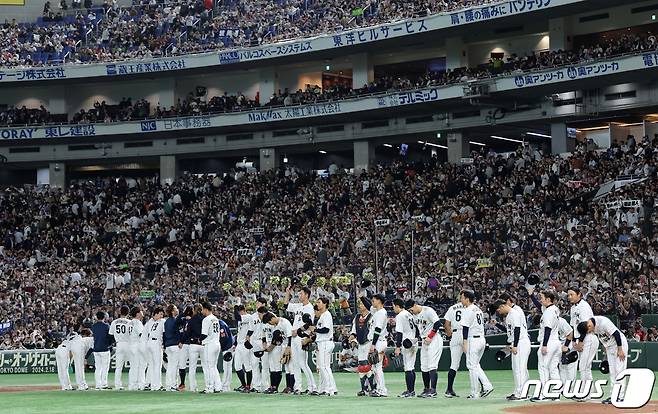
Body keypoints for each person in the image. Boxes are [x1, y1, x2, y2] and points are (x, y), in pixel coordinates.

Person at [577, 317, 628, 404]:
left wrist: (620, 350)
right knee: (612, 372)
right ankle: (614, 395)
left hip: (620, 345)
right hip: (610, 347)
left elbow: (616, 334)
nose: (590, 333)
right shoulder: (592, 325)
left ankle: (620, 396)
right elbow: (604, 339)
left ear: (589, 326)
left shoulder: (603, 322)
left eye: (588, 331)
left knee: (620, 371)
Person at [493, 298, 530, 401]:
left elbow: (517, 330)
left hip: (521, 342)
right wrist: (496, 324)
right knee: (517, 369)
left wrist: (515, 345)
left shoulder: (514, 313)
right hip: (517, 342)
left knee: (520, 369)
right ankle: (520, 391)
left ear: (502, 306)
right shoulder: (510, 315)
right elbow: (510, 331)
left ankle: (521, 394)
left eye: (498, 310)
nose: (499, 312)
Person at [460, 289, 494, 399]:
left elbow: (465, 327)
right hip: (481, 339)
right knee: (475, 365)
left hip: (472, 340)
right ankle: (487, 385)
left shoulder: (468, 310)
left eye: (462, 298)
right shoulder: (478, 309)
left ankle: (475, 392)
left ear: (467, 299)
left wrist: (464, 342)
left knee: (471, 366)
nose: (461, 300)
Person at [406, 298, 442, 398]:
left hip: (434, 339)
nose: (411, 311)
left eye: (411, 309)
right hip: (424, 340)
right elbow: (419, 330)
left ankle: (433, 390)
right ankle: (426, 389)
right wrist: (415, 339)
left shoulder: (428, 310)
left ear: (414, 305)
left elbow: (438, 324)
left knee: (432, 365)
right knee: (424, 366)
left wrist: (430, 336)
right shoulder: (414, 315)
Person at [285, 286, 317, 394]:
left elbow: (309, 324)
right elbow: (286, 305)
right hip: (294, 337)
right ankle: (297, 387)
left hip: (302, 336)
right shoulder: (298, 306)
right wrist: (287, 293)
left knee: (303, 363)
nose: (299, 295)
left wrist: (297, 330)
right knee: (295, 364)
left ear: (307, 295)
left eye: (301, 294)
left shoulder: (310, 308)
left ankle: (312, 387)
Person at [532, 290, 561, 402]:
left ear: (548, 299)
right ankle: (556, 394)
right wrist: (531, 296)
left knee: (543, 368)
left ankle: (544, 394)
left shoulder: (548, 312)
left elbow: (548, 328)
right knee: (553, 369)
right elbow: (539, 306)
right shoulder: (554, 309)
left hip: (548, 342)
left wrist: (544, 345)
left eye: (542, 297)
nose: (541, 299)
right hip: (556, 342)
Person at [568, 287, 599, 384]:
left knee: (584, 366)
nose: (569, 297)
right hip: (580, 339)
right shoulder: (573, 308)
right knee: (584, 367)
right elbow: (573, 325)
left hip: (588, 337)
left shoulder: (584, 306)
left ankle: (586, 393)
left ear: (579, 294)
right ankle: (588, 392)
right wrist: (574, 341)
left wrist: (580, 341)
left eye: (572, 294)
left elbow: (586, 326)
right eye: (568, 295)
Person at [262, 312, 293, 394]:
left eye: (269, 322)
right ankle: (288, 387)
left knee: (291, 367)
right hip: (283, 345)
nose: (270, 324)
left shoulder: (284, 322)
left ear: (272, 318)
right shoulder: (276, 325)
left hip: (289, 345)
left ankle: (292, 387)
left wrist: (289, 347)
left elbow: (290, 336)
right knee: (286, 367)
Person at [393, 298, 418, 398]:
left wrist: (397, 346)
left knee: (408, 368)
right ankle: (411, 390)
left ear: (398, 306)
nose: (393, 308)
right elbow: (417, 329)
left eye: (394, 306)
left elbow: (399, 333)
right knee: (411, 367)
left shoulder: (400, 316)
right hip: (413, 341)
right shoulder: (409, 314)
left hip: (406, 343)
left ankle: (410, 391)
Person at [350, 296, 374, 396]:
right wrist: (351, 337)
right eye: (359, 304)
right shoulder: (357, 317)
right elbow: (354, 331)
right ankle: (364, 389)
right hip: (360, 344)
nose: (360, 305)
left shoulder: (372, 316)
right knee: (361, 367)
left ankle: (373, 388)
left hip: (368, 343)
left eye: (362, 304)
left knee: (367, 366)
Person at [312, 297, 337, 396]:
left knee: (324, 367)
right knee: (323, 367)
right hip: (322, 342)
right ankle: (328, 388)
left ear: (325, 304)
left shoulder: (326, 315)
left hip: (326, 342)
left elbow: (326, 330)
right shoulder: (323, 315)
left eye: (319, 302)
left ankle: (329, 389)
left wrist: (315, 330)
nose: (317, 304)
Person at [443, 299, 465, 398]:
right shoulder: (469, 307)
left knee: (454, 365)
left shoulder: (452, 308)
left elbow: (446, 324)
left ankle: (449, 389)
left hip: (455, 334)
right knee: (474, 363)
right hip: (465, 333)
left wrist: (450, 335)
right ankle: (483, 387)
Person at [368, 293, 388, 397]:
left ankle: (382, 390)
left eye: (374, 300)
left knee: (377, 367)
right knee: (375, 367)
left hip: (378, 341)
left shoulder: (380, 313)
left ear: (379, 301)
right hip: (378, 341)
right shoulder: (377, 311)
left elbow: (378, 329)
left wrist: (373, 344)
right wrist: (362, 296)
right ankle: (380, 389)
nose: (372, 302)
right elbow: (368, 306)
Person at [200, 302, 222, 394]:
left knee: (209, 367)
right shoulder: (215, 318)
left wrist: (198, 340)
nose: (202, 311)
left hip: (209, 344)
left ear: (205, 309)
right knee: (213, 367)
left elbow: (204, 335)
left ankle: (209, 387)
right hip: (217, 343)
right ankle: (217, 387)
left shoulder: (206, 319)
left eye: (202, 309)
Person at [234, 304, 255, 392]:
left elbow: (237, 317)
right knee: (237, 366)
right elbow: (239, 332)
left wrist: (234, 309)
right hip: (239, 344)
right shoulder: (241, 318)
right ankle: (243, 385)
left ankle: (248, 386)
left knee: (247, 366)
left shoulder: (248, 316)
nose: (239, 313)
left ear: (243, 310)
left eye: (240, 311)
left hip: (245, 345)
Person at [109, 305, 131, 390]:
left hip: (119, 344)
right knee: (133, 365)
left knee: (118, 367)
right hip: (128, 344)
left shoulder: (114, 322)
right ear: (128, 313)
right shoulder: (130, 322)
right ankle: (131, 384)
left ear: (120, 312)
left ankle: (118, 385)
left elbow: (110, 335)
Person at [163, 304, 184, 392]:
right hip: (175, 345)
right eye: (175, 309)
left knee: (170, 366)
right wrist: (180, 341)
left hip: (168, 345)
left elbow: (164, 335)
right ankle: (173, 385)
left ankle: (168, 385)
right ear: (172, 311)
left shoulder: (166, 321)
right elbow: (177, 333)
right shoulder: (175, 321)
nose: (177, 310)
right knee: (174, 366)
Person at [184, 304, 204, 392]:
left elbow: (187, 334)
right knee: (206, 366)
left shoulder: (191, 320)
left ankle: (193, 387)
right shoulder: (204, 319)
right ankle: (209, 386)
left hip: (193, 344)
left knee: (192, 368)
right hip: (203, 344)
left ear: (194, 310)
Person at [145, 307, 166, 391]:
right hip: (156, 343)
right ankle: (157, 385)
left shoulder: (151, 322)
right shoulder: (162, 321)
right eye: (160, 314)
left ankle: (150, 384)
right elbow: (164, 334)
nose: (162, 316)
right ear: (156, 314)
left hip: (149, 343)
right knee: (157, 365)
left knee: (152, 365)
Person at [91, 311, 112, 390]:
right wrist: (110, 345)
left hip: (96, 349)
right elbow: (110, 337)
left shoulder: (93, 326)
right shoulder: (106, 326)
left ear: (97, 317)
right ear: (104, 317)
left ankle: (98, 384)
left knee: (98, 368)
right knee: (105, 367)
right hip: (104, 349)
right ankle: (104, 384)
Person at [128, 307, 144, 391]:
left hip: (130, 345)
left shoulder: (130, 323)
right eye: (140, 311)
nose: (142, 312)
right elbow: (141, 335)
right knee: (139, 366)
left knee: (133, 366)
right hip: (137, 346)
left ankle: (132, 385)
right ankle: (139, 385)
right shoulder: (138, 322)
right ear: (137, 313)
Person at [557, 316, 575, 384]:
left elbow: (570, 333)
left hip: (568, 345)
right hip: (560, 346)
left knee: (570, 368)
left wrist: (566, 346)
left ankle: (571, 389)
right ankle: (563, 387)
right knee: (562, 367)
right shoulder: (549, 321)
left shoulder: (561, 321)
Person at [219, 315, 235, 392]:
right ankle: (226, 384)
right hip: (229, 345)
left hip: (228, 346)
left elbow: (224, 337)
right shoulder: (221, 322)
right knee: (228, 367)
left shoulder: (220, 324)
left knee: (226, 367)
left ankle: (225, 385)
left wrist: (223, 348)